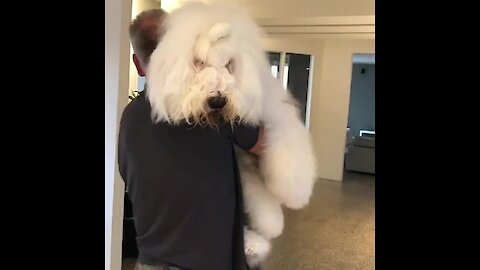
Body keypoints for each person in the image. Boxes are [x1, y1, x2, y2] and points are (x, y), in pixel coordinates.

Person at [118, 9, 264, 270]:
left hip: (150, 261)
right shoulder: (215, 110)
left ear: (137, 64)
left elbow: (127, 176)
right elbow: (265, 144)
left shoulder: (129, 117)